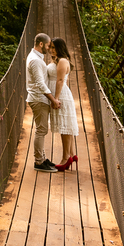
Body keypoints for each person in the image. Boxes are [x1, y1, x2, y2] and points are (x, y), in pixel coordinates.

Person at [27, 32, 61, 172]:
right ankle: (39, 162)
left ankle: (42, 158)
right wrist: (53, 99)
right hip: (39, 99)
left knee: (42, 129)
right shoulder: (35, 60)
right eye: (48, 45)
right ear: (41, 44)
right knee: (41, 130)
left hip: (39, 99)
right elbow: (40, 84)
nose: (49, 48)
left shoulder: (36, 58)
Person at [48, 38, 79, 171]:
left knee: (65, 127)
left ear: (60, 48)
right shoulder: (59, 60)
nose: (51, 50)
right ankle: (71, 155)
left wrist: (55, 99)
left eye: (54, 47)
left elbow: (60, 80)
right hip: (61, 96)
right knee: (66, 126)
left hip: (61, 97)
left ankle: (66, 158)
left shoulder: (62, 61)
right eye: (51, 47)